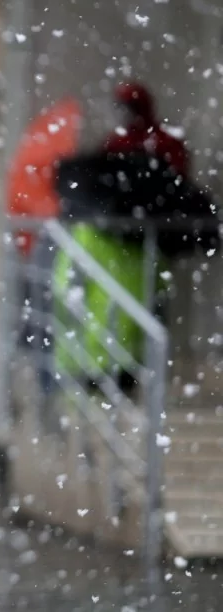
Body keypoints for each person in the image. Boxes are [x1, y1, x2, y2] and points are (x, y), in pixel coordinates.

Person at [53, 82, 190, 389]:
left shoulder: (138, 145)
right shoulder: (132, 144)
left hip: (132, 249)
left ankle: (118, 381)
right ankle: (118, 381)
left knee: (130, 320)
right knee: (128, 320)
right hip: (130, 249)